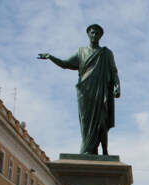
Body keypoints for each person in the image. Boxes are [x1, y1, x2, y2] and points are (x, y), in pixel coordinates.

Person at [38, 24, 120, 155]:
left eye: (97, 33)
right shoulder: (81, 52)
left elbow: (114, 71)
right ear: (88, 34)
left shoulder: (106, 53)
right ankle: (88, 149)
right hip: (85, 91)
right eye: (92, 33)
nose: (94, 35)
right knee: (86, 122)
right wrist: (51, 57)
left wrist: (118, 86)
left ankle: (104, 151)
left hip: (101, 91)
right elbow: (65, 64)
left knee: (102, 121)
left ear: (101, 36)